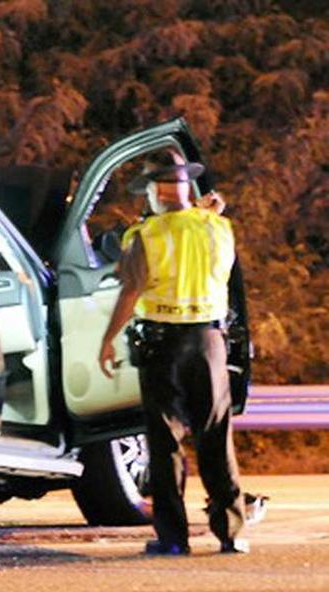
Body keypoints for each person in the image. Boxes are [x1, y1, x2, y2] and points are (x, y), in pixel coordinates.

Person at [98, 152, 247, 556]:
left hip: (163, 345)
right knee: (215, 436)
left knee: (165, 443)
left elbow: (131, 289)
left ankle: (173, 538)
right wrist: (203, 212)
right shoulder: (219, 227)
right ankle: (232, 532)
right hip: (210, 343)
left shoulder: (144, 235)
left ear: (155, 191)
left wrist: (108, 338)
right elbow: (196, 237)